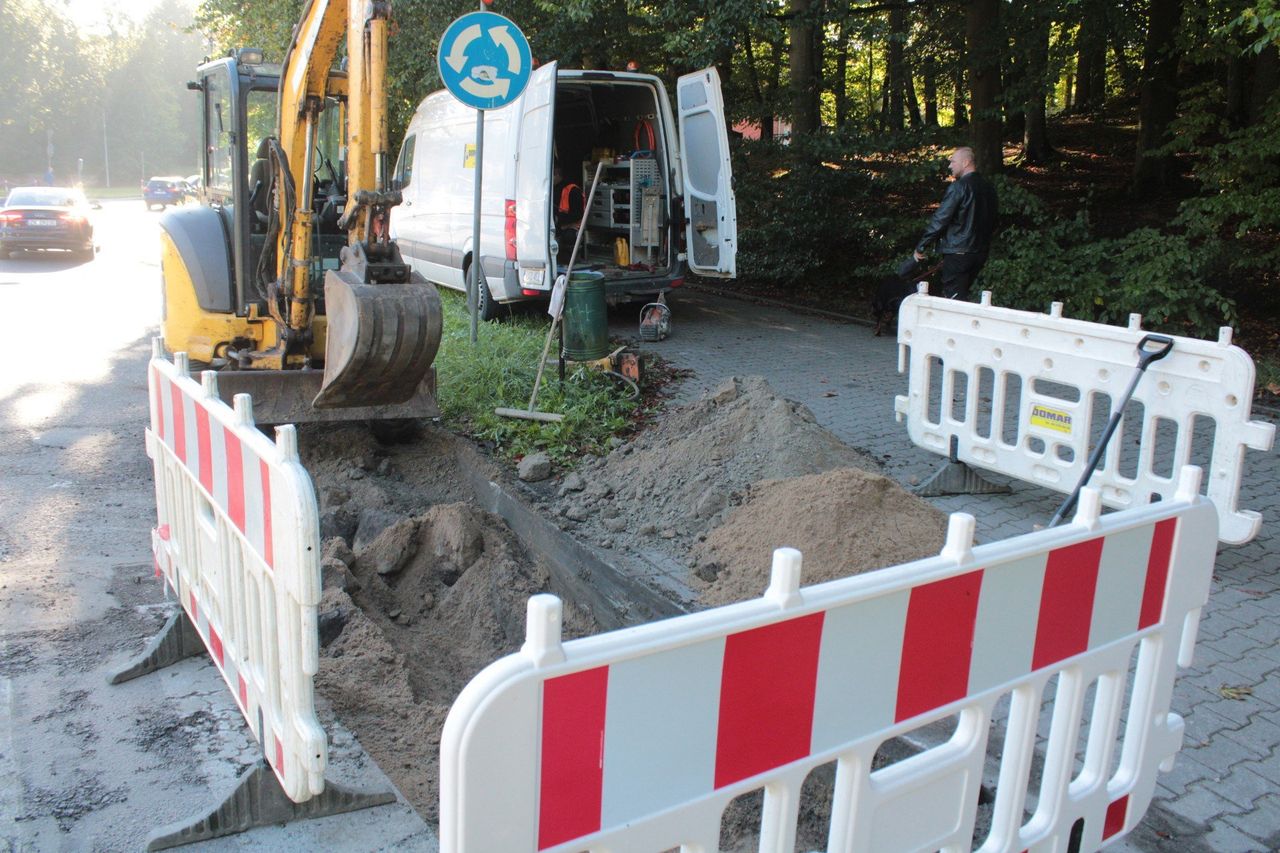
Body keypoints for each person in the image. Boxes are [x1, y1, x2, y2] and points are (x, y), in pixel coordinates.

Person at [913, 147, 997, 301]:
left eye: (953, 161)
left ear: (965, 162)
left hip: (958, 253)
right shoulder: (989, 188)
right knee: (961, 296)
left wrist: (921, 246)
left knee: (954, 300)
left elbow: (940, 219)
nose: (950, 165)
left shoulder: (959, 187)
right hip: (980, 252)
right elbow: (993, 221)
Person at [553, 163, 584, 264]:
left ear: (557, 175)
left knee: (569, 236)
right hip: (559, 225)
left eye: (552, 176)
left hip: (573, 227)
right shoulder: (553, 189)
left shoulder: (573, 190)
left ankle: (572, 261)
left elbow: (578, 214)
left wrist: (560, 222)